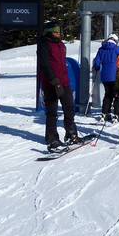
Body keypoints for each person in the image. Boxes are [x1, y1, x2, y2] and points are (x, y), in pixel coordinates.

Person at [37, 21, 81, 151]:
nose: (58, 34)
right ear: (50, 32)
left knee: (69, 108)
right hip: (51, 83)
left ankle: (71, 133)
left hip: (64, 82)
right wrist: (53, 79)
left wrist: (64, 80)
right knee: (52, 111)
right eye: (56, 32)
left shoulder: (61, 45)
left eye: (59, 32)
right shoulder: (44, 44)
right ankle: (52, 138)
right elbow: (45, 64)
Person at [92, 33, 119, 121]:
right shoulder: (117, 49)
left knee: (108, 94)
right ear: (115, 40)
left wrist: (97, 68)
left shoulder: (101, 49)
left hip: (104, 76)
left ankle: (105, 113)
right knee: (117, 94)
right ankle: (117, 114)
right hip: (115, 76)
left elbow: (97, 62)